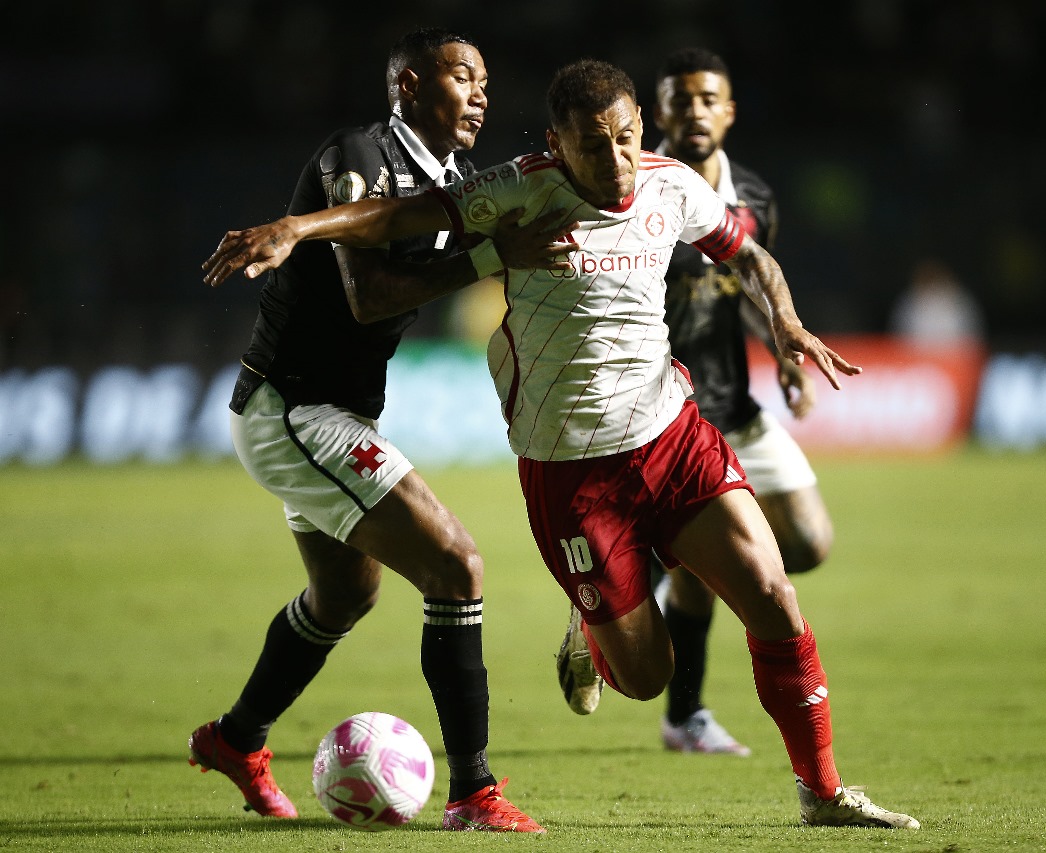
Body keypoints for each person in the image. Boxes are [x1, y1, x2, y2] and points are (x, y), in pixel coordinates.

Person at [202, 57, 920, 830]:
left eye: (623, 138)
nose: (612, 160)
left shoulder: (673, 183)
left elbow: (745, 250)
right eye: (590, 145)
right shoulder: (515, 188)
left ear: (641, 126)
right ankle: (592, 632)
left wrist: (781, 316)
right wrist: (295, 227)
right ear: (557, 141)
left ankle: (822, 790)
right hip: (571, 473)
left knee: (774, 595)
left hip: (671, 435)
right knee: (645, 676)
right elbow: (390, 219)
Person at [189, 27, 572, 832]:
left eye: (486, 81)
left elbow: (451, 232)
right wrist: (485, 257)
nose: (479, 93)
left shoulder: (455, 184)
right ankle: (474, 793)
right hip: (292, 409)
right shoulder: (356, 151)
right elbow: (368, 294)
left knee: (343, 594)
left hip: (335, 411)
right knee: (456, 564)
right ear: (407, 85)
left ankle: (236, 738)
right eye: (462, 75)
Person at [639, 47, 833, 757]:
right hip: (665, 414)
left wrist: (782, 348)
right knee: (707, 565)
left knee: (809, 540)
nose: (694, 111)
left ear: (728, 110)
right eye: (679, 99)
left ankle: (688, 566)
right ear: (658, 112)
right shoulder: (634, 188)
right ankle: (684, 716)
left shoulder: (753, 194)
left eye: (707, 98)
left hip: (736, 404)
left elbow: (750, 288)